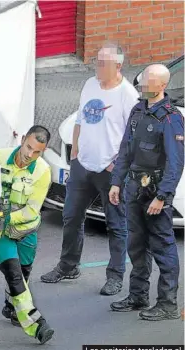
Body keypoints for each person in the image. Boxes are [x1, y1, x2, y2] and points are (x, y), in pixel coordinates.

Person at [40, 43, 140, 296]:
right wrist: (75, 152)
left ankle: (115, 276)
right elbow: (80, 118)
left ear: (117, 66)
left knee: (116, 225)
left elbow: (134, 137)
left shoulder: (127, 95)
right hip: (82, 166)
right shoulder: (90, 84)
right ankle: (68, 266)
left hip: (111, 172)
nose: (97, 67)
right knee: (71, 218)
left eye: (102, 63)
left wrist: (117, 165)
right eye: (96, 61)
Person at [108, 64, 184, 320]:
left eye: (148, 81)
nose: (142, 83)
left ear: (162, 85)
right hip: (133, 188)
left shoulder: (172, 118)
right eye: (142, 79)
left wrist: (162, 197)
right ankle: (138, 295)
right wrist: (116, 182)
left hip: (155, 193)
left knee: (162, 246)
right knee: (136, 244)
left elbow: (176, 163)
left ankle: (168, 304)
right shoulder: (138, 110)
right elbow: (126, 149)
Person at [0, 125, 54, 344]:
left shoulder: (43, 171)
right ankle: (36, 325)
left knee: (22, 275)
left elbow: (32, 210)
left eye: (37, 152)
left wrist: (7, 218)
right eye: (28, 147)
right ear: (23, 139)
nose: (29, 155)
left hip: (26, 229)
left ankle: (11, 306)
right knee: (14, 275)